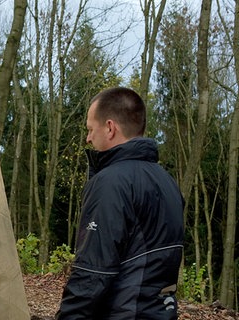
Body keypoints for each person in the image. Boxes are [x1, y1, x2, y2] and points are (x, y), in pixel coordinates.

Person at [56, 87, 184, 319]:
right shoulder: (167, 181)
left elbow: (92, 272)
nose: (88, 138)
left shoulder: (111, 183)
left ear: (110, 127)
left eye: (90, 129)